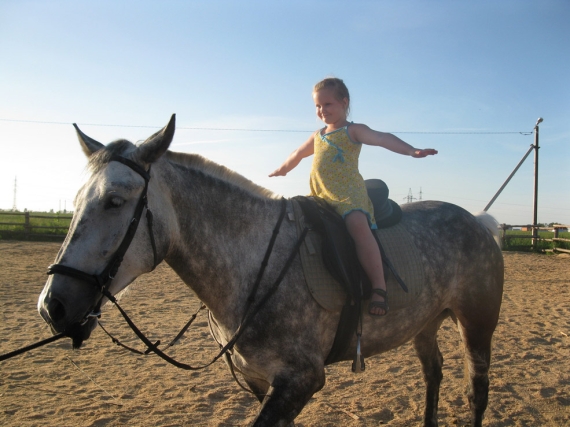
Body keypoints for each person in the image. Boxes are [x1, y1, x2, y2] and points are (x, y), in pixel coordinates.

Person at [269, 77, 437, 316]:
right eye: (317, 106)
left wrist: (411, 150)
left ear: (344, 102)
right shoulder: (318, 135)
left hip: (348, 195)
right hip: (320, 194)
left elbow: (381, 138)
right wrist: (283, 168)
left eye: (328, 104)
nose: (321, 110)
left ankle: (379, 286)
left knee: (357, 225)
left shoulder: (352, 130)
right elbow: (298, 153)